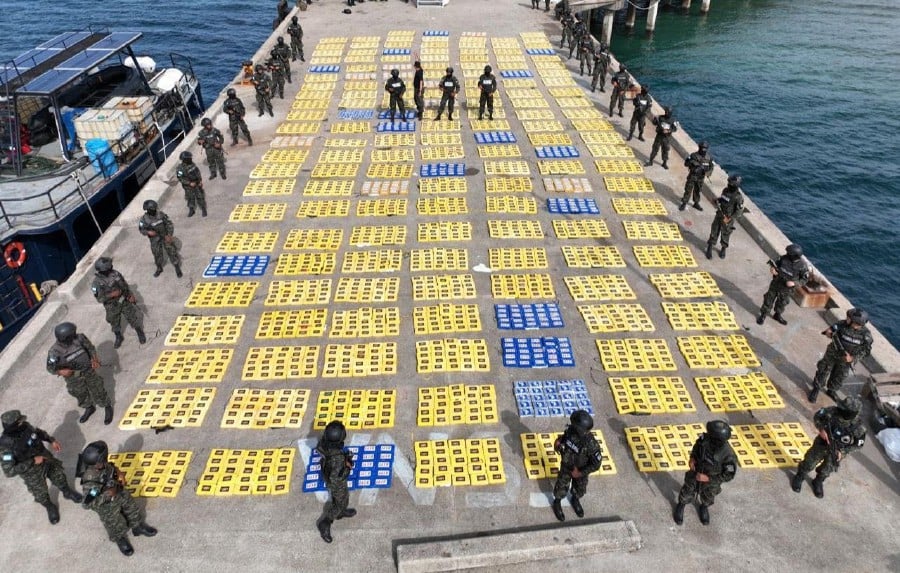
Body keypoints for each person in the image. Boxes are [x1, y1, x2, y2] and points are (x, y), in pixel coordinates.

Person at [0, 410, 83, 524]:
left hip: (45, 457)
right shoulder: (5, 447)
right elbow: (9, 471)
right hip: (30, 471)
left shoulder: (24, 426)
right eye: (19, 422)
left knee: (58, 474)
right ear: (12, 427)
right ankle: (50, 506)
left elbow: (37, 433)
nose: (23, 422)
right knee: (40, 492)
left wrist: (51, 440)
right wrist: (32, 461)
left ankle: (67, 492)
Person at [79, 441, 157, 556]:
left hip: (117, 490)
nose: (104, 462)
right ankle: (120, 539)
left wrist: (119, 473)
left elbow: (110, 466)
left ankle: (137, 526)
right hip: (106, 504)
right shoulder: (91, 481)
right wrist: (108, 494)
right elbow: (87, 504)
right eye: (103, 460)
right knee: (114, 523)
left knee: (131, 507)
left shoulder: (102, 464)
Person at [792, 396, 866, 498]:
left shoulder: (859, 426)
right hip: (821, 444)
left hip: (836, 451)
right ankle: (800, 476)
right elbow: (817, 416)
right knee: (810, 461)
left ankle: (818, 481)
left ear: (850, 413)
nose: (839, 408)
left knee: (827, 468)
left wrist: (843, 452)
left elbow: (858, 445)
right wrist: (821, 429)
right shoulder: (832, 411)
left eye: (843, 408)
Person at [46, 322, 113, 424]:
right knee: (80, 393)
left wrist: (94, 359)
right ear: (65, 337)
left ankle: (106, 405)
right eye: (72, 335)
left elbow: (90, 348)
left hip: (88, 370)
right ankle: (89, 407)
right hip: (74, 377)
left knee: (98, 388)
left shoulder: (79, 338)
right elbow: (50, 368)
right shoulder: (54, 352)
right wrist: (60, 371)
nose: (75, 335)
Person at [673, 420, 737, 526]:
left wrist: (708, 479)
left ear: (717, 440)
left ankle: (704, 507)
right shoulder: (705, 439)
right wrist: (692, 458)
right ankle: (681, 504)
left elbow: (729, 475)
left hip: (711, 480)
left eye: (711, 435)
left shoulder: (728, 455)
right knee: (688, 489)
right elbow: (696, 447)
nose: (708, 435)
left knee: (708, 496)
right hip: (696, 471)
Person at [808, 309, 873, 403]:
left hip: (846, 360)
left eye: (849, 318)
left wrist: (852, 358)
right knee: (823, 370)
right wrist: (829, 332)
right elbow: (831, 329)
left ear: (856, 323)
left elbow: (866, 351)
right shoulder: (842, 324)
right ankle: (816, 389)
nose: (847, 319)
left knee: (839, 376)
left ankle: (831, 391)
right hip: (832, 353)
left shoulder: (866, 335)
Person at [551, 410, 603, 522]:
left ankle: (575, 500)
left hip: (580, 471)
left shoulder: (591, 445)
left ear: (581, 429)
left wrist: (580, 473)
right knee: (561, 486)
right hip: (566, 465)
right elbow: (564, 439)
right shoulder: (571, 430)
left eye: (575, 425)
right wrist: (558, 443)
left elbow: (596, 464)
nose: (572, 426)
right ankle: (557, 502)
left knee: (579, 489)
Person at [315, 421, 356, 543]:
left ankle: (340, 512)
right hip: (336, 483)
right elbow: (337, 478)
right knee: (341, 501)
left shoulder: (324, 444)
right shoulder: (337, 458)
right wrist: (348, 466)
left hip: (327, 471)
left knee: (340, 500)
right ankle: (326, 522)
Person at [756, 243, 810, 325]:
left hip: (787, 289)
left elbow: (805, 279)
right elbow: (776, 265)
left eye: (789, 254)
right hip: (776, 282)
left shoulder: (802, 266)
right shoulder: (783, 258)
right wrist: (773, 270)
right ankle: (763, 315)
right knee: (768, 299)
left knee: (782, 302)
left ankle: (777, 315)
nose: (787, 254)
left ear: (795, 256)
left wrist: (794, 283)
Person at [139, 200, 182, 278]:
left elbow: (169, 224)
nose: (154, 210)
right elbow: (141, 229)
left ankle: (176, 266)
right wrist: (148, 232)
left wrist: (169, 235)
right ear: (148, 210)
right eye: (152, 209)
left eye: (155, 208)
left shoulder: (161, 215)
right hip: (155, 239)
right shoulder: (144, 219)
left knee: (172, 251)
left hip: (165, 236)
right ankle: (159, 268)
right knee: (157, 254)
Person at [705, 175, 745, 260]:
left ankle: (723, 249)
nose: (728, 184)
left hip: (728, 218)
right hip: (719, 214)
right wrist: (717, 200)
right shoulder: (725, 190)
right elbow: (722, 199)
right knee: (714, 231)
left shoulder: (738, 197)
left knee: (726, 234)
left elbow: (739, 211)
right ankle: (710, 246)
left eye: (730, 183)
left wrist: (730, 218)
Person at [680, 141, 715, 211]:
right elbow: (686, 163)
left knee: (698, 190)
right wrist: (693, 163)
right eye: (702, 148)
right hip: (692, 176)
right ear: (699, 148)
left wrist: (707, 173)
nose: (703, 150)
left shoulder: (709, 158)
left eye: (705, 149)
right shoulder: (693, 155)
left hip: (701, 177)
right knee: (688, 190)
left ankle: (696, 203)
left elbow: (711, 167)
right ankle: (684, 202)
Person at [176, 151, 207, 217]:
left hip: (196, 183)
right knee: (190, 198)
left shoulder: (192, 164)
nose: (190, 159)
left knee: (200, 197)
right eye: (188, 158)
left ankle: (203, 209)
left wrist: (200, 180)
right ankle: (191, 210)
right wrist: (189, 183)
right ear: (184, 159)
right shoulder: (180, 169)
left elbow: (197, 172)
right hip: (188, 186)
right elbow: (180, 178)